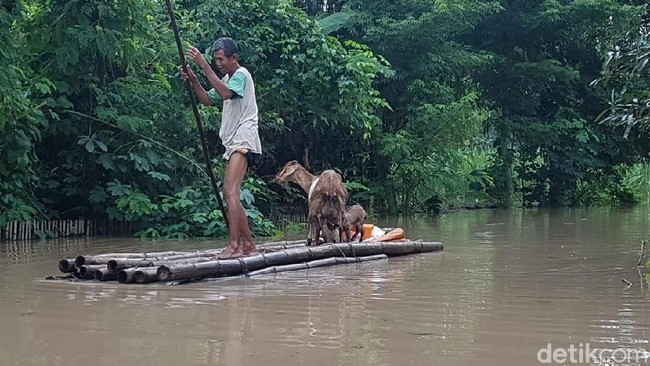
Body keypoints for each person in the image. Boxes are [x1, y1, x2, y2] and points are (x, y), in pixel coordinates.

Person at [179, 37, 262, 259]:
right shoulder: (227, 78)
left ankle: (234, 245)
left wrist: (204, 66)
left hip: (244, 138)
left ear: (234, 57)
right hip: (235, 140)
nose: (219, 63)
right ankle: (249, 246)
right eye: (215, 60)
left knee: (229, 191)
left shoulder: (242, 75)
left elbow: (225, 94)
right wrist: (195, 79)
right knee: (231, 193)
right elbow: (207, 99)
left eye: (221, 59)